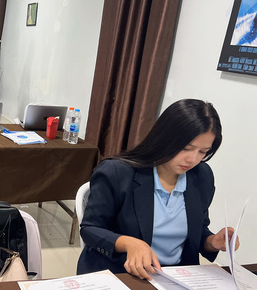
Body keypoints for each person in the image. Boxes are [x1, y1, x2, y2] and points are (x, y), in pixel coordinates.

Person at [77, 99, 239, 280]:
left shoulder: (201, 176)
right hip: (122, 273)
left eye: (203, 152)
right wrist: (128, 243)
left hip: (176, 277)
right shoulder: (118, 172)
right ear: (164, 138)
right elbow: (90, 229)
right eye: (187, 148)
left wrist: (212, 242)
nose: (192, 159)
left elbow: (197, 230)